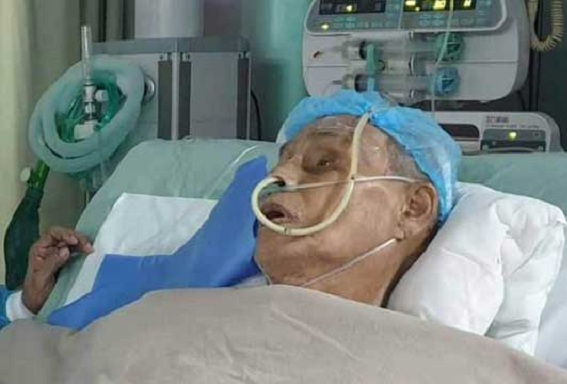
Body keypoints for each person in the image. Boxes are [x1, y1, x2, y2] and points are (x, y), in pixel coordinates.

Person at [0, 90, 461, 325]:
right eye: (281, 163)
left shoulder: (436, 374)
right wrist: (26, 305)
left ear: (413, 209)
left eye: (324, 163)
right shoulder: (168, 316)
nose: (278, 179)